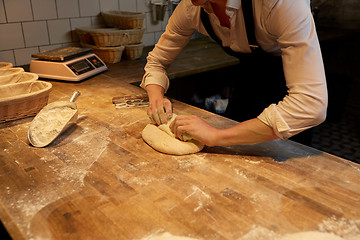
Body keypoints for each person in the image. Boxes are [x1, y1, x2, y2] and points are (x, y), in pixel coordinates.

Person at [140, 0, 328, 147]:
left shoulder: (279, 4)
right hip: (248, 81)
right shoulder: (191, 8)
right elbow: (157, 62)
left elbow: (310, 105)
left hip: (288, 87)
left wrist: (215, 136)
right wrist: (156, 98)